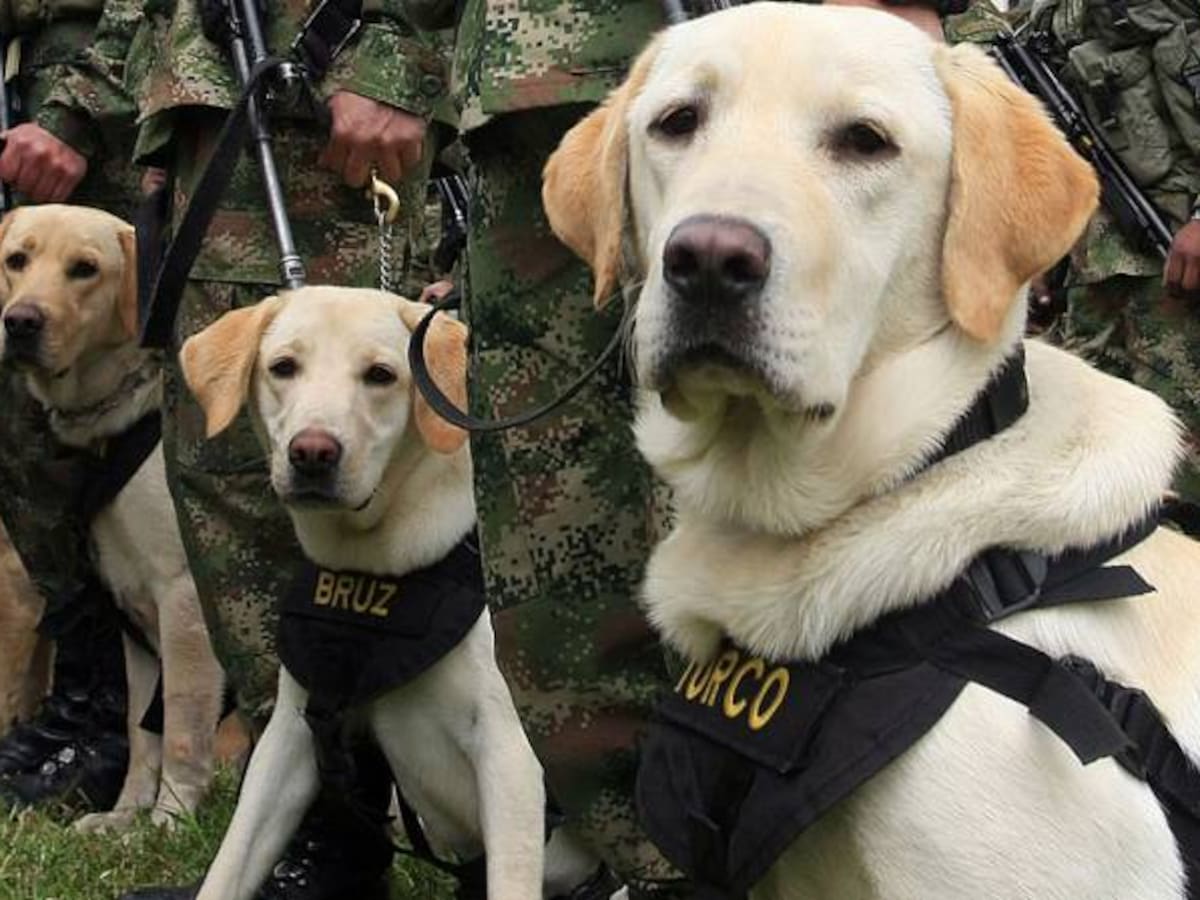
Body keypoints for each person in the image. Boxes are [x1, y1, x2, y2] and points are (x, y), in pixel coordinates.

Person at [400, 0, 962, 895]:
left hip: (746, 55)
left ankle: (755, 847)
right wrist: (399, 68)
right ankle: (630, 848)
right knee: (546, 532)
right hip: (518, 98)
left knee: (786, 522)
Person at [104, 0, 453, 896]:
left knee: (360, 465)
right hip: (210, 111)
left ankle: (344, 839)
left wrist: (396, 64)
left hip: (319, 113)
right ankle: (312, 826)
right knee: (223, 480)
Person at [947, 0, 1200, 505]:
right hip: (1096, 272)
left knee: (1182, 472)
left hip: (1174, 266)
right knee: (1101, 469)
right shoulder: (1042, 11)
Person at [0, 0, 146, 813]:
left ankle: (101, 721)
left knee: (82, 471)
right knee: (32, 474)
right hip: (46, 122)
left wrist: (70, 113)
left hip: (96, 138)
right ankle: (70, 712)